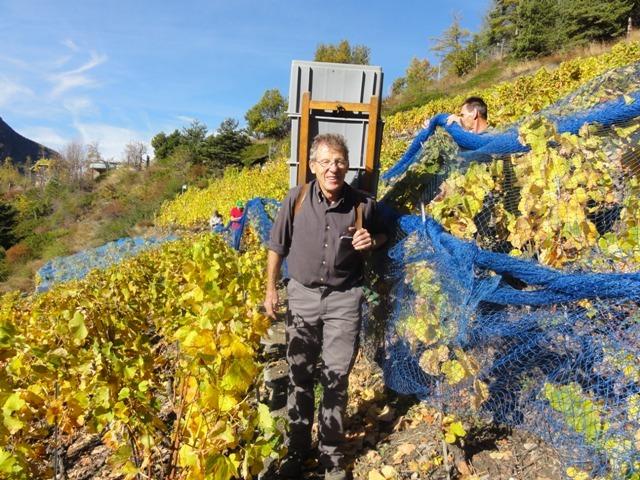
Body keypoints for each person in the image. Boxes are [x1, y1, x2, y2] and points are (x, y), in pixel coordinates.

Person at [265, 133, 388, 480]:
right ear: (313, 166)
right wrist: (271, 289)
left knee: (336, 377)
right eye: (325, 162)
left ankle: (331, 455)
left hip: (344, 300)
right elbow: (276, 246)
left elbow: (384, 235)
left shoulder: (363, 205)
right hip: (302, 296)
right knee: (299, 374)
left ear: (347, 166)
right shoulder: (296, 199)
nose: (333, 168)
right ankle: (297, 448)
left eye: (339, 162)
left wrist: (372, 240)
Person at [423, 96, 489, 133]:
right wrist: (433, 126)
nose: (460, 118)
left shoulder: (490, 136)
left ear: (474, 113)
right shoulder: (474, 133)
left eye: (462, 115)